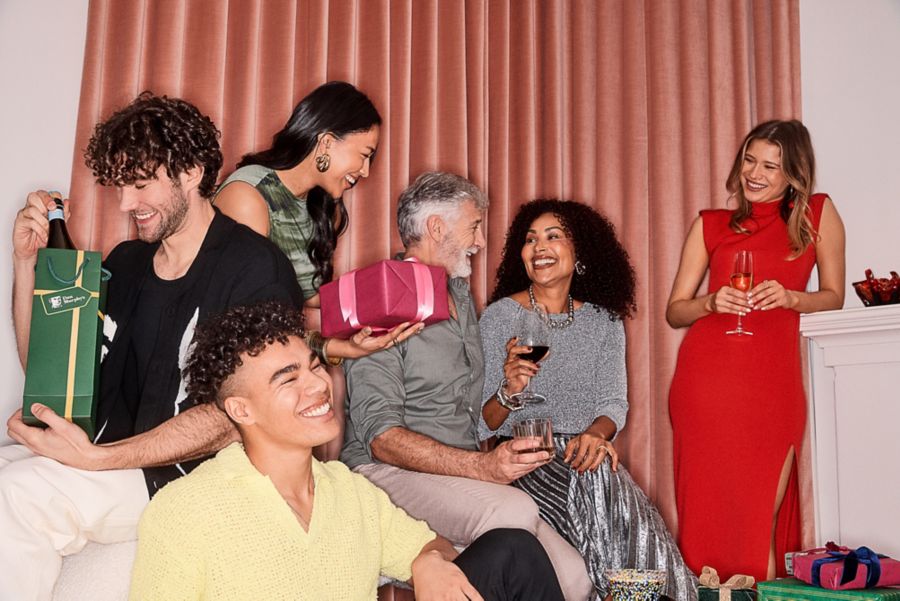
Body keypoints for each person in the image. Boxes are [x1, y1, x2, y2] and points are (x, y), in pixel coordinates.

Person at [1, 93, 301, 600]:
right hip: (110, 458)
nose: (125, 205)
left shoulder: (254, 270)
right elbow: (51, 366)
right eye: (120, 187)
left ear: (192, 172)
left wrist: (101, 460)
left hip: (185, 482)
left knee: (20, 495)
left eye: (140, 186)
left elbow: (237, 415)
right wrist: (25, 265)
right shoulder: (129, 263)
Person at [130, 300, 565, 601]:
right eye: (288, 379)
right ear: (241, 409)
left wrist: (429, 561)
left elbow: (430, 545)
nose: (318, 385)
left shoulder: (349, 491)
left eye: (314, 366)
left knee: (512, 550)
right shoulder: (183, 510)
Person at [341, 172, 595, 601]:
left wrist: (507, 392)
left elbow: (469, 415)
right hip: (385, 472)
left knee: (574, 577)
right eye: (474, 226)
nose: (480, 241)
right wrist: (483, 468)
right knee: (514, 509)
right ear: (437, 228)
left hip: (454, 475)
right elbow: (382, 439)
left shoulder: (458, 294)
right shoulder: (381, 296)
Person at [478, 199, 697, 601]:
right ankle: (669, 594)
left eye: (553, 236)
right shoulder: (499, 318)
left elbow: (613, 403)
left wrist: (597, 436)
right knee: (598, 475)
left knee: (597, 467)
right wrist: (509, 391)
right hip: (525, 457)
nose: (539, 246)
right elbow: (483, 423)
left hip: (582, 453)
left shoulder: (603, 321)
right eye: (530, 240)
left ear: (580, 252)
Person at [666, 120, 845, 581]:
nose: (755, 173)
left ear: (794, 174)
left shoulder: (817, 214)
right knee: (705, 519)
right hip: (705, 382)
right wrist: (710, 301)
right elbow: (675, 311)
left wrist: (791, 299)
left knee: (756, 518)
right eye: (750, 159)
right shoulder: (710, 224)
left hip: (771, 385)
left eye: (771, 165)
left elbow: (833, 295)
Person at [215, 80, 418, 359]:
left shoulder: (319, 207)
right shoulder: (249, 197)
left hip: (273, 362)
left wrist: (396, 295)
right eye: (363, 156)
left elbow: (307, 297)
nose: (366, 171)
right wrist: (337, 347)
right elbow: (244, 325)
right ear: (326, 143)